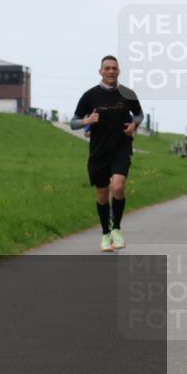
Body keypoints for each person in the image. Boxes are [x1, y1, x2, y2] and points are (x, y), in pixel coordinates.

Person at [70, 55, 144, 252]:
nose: (111, 71)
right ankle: (105, 235)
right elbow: (73, 122)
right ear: (100, 71)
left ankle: (116, 230)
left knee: (118, 187)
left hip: (121, 148)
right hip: (99, 152)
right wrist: (87, 121)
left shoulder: (128, 94)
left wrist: (134, 125)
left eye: (114, 68)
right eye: (107, 68)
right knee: (102, 196)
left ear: (118, 71)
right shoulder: (90, 96)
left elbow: (139, 114)